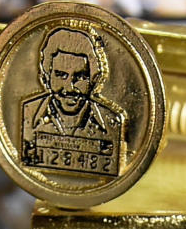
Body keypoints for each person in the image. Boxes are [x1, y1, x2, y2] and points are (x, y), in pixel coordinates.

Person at [20, 26, 126, 170]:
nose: (69, 88)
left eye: (80, 77)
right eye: (61, 75)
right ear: (46, 77)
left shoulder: (112, 121)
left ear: (93, 80)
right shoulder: (27, 113)